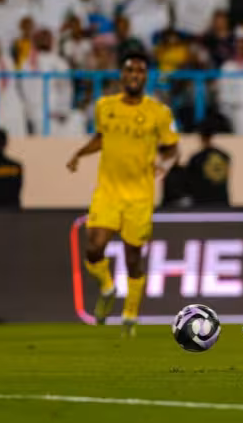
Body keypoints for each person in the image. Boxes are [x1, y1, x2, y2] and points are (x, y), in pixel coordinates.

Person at [66, 51, 179, 337]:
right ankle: (107, 286)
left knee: (132, 259)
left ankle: (130, 314)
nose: (134, 75)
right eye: (130, 70)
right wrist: (79, 153)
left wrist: (164, 165)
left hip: (140, 196)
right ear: (122, 75)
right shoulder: (105, 106)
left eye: (140, 71)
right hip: (109, 192)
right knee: (94, 248)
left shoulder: (159, 113)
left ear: (145, 77)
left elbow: (171, 149)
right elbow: (102, 138)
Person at [186, 125, 231, 207]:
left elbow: (190, 182)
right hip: (222, 202)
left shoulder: (196, 158)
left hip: (203, 203)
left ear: (201, 138)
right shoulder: (224, 156)